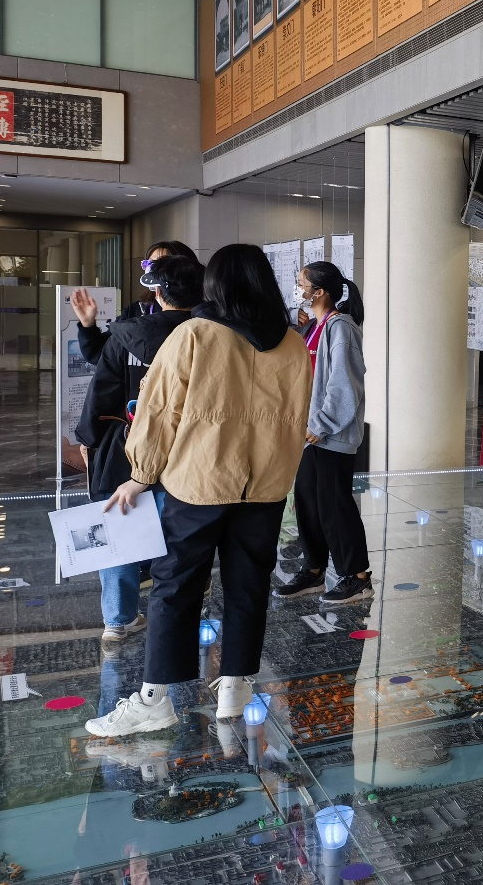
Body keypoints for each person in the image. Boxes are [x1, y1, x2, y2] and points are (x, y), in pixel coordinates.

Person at [84, 244, 312, 738]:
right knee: (248, 585)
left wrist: (141, 474)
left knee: (175, 586)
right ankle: (235, 687)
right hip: (265, 488)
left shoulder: (195, 334)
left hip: (200, 482)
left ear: (215, 284)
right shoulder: (292, 344)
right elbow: (297, 419)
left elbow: (158, 411)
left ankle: (154, 700)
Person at [72, 256, 204, 645]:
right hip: (188, 450)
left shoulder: (127, 336)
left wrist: (89, 439)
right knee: (178, 541)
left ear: (157, 292)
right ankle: (175, 618)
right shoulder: (210, 337)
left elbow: (101, 392)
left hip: (125, 448)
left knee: (121, 530)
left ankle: (118, 619)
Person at [273, 261, 370, 605]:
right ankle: (314, 569)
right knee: (308, 503)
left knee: (334, 505)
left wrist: (321, 423)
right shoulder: (315, 326)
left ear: (321, 292)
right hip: (310, 434)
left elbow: (344, 385)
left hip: (331, 434)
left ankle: (357, 577)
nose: (298, 289)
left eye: (302, 284)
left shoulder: (341, 327)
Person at [76, 240, 199, 364]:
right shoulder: (136, 311)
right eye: (149, 263)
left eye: (161, 263)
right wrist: (88, 324)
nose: (152, 269)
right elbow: (100, 354)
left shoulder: (200, 314)